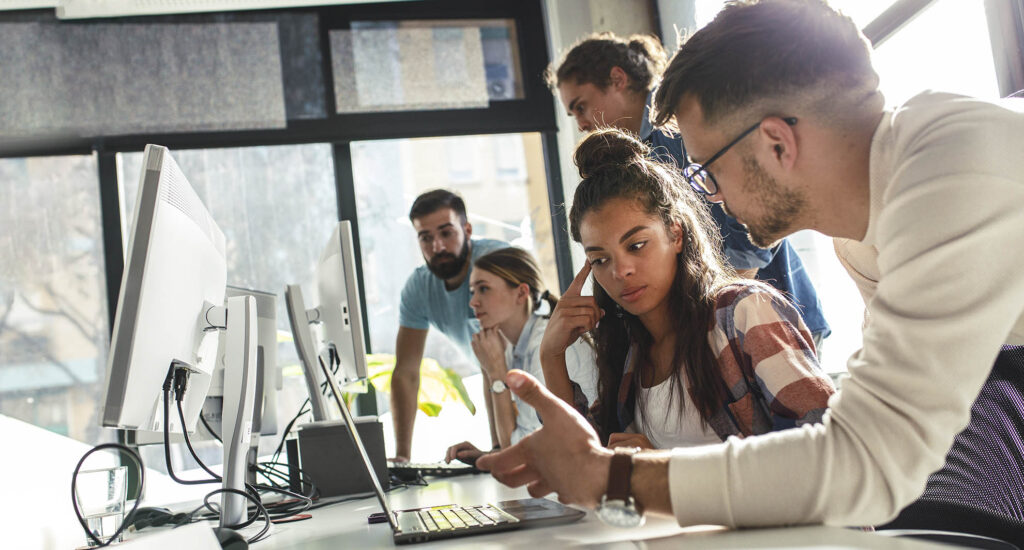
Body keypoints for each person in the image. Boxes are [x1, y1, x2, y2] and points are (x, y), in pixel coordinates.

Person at [479, 0, 1024, 531]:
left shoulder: (950, 171)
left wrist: (613, 477)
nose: (710, 196)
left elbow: (867, 460)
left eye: (707, 169)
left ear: (775, 142)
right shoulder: (863, 233)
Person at [537, 129, 833, 454]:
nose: (621, 271)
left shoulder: (742, 313)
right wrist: (551, 356)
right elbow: (582, 460)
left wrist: (664, 471)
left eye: (636, 245)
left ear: (676, 234)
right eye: (600, 259)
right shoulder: (628, 352)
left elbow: (826, 448)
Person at [546, 32, 831, 351]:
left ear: (617, 79)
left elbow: (753, 220)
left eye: (581, 107)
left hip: (762, 317)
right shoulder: (641, 154)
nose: (582, 124)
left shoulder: (680, 123)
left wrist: (720, 312)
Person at [444, 247, 598, 465]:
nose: (473, 302)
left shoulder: (546, 345)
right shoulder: (510, 348)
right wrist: (491, 455)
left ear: (521, 293)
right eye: (472, 291)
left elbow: (519, 454)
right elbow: (511, 446)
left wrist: (496, 374)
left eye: (484, 289)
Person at [391, 189, 507, 462]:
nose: (438, 247)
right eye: (426, 238)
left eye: (446, 233)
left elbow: (499, 364)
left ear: (467, 230)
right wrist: (401, 458)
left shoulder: (495, 264)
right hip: (501, 389)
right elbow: (406, 373)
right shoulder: (419, 288)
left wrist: (500, 451)